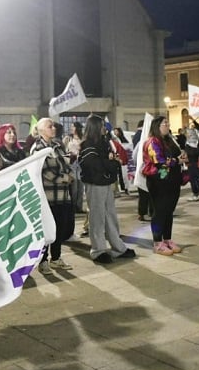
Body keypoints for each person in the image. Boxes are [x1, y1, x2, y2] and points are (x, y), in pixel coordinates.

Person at [78, 115, 136, 264]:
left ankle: (118, 248)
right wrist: (110, 161)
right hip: (95, 184)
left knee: (111, 216)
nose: (105, 128)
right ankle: (98, 250)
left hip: (104, 182)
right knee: (97, 218)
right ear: (96, 127)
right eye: (102, 125)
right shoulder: (87, 145)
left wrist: (111, 161)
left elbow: (111, 162)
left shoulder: (103, 143)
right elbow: (95, 165)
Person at [30, 117, 75, 274]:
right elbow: (43, 171)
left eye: (54, 126)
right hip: (47, 196)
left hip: (62, 195)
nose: (53, 128)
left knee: (59, 228)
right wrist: (64, 178)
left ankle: (56, 258)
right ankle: (42, 261)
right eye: (50, 126)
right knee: (46, 230)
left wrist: (70, 174)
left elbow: (66, 163)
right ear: (41, 130)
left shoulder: (57, 146)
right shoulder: (37, 148)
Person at [142, 115, 188, 256]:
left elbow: (177, 156)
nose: (167, 125)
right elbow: (159, 161)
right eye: (164, 124)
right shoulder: (152, 142)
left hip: (172, 179)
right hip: (158, 180)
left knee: (169, 211)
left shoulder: (170, 140)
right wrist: (176, 161)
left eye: (168, 123)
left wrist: (182, 158)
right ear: (157, 126)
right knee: (159, 212)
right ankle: (157, 242)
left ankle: (167, 239)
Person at [131, 120, 153, 221]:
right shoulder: (148, 142)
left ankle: (142, 213)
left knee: (143, 194)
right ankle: (151, 212)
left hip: (142, 170)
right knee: (150, 193)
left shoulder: (141, 142)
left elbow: (134, 156)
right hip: (149, 171)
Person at [62, 122, 85, 213]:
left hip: (81, 164)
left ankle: (79, 206)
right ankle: (73, 206)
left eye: (73, 126)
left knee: (80, 187)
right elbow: (63, 150)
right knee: (74, 187)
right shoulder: (68, 138)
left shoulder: (83, 138)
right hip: (71, 164)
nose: (71, 128)